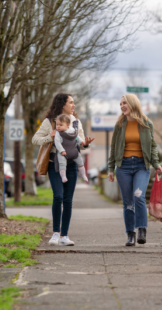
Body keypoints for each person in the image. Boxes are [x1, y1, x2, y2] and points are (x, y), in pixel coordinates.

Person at [32, 93, 94, 246]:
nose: (73, 105)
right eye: (71, 102)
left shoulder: (76, 122)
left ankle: (65, 236)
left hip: (72, 164)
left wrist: (85, 144)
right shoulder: (49, 122)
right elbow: (35, 140)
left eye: (74, 103)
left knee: (67, 200)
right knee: (58, 196)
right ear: (62, 104)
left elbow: (79, 142)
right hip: (55, 164)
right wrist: (50, 137)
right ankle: (55, 233)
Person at [108, 94, 162, 246]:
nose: (122, 106)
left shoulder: (146, 123)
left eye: (124, 103)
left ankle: (142, 230)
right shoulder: (120, 124)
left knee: (138, 196)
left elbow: (152, 146)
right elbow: (113, 148)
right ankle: (130, 234)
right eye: (120, 104)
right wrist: (111, 169)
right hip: (123, 166)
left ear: (133, 104)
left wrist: (156, 164)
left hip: (141, 166)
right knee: (128, 202)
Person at [54, 114, 88, 183]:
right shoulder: (58, 133)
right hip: (64, 152)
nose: (58, 127)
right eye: (57, 125)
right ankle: (63, 176)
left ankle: (83, 175)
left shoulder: (73, 130)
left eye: (61, 125)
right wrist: (61, 150)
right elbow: (57, 143)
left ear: (68, 125)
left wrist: (82, 142)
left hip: (74, 151)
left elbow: (77, 137)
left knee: (80, 162)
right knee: (62, 164)